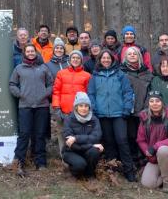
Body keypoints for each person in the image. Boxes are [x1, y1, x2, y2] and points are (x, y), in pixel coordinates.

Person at [87, 50, 137, 182]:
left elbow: (128, 92)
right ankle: (112, 169)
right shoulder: (95, 76)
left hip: (119, 114)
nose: (106, 60)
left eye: (108, 58)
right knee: (108, 142)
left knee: (122, 140)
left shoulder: (120, 74)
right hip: (102, 115)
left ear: (112, 59)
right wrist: (94, 108)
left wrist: (127, 108)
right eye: (103, 58)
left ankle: (129, 170)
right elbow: (91, 94)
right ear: (100, 60)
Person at [9, 44, 54, 175]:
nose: (30, 53)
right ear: (24, 53)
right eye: (28, 51)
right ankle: (18, 163)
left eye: (32, 51)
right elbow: (12, 84)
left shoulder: (43, 67)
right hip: (25, 106)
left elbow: (51, 84)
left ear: (36, 52)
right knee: (24, 134)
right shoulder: (19, 68)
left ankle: (40, 162)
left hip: (42, 106)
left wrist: (45, 94)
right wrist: (21, 94)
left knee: (40, 135)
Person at [51, 50, 91, 156]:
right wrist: (56, 107)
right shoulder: (61, 73)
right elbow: (56, 91)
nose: (75, 60)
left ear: (81, 60)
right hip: (63, 111)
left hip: (79, 112)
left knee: (77, 136)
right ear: (70, 59)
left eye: (78, 58)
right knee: (62, 134)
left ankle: (77, 160)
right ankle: (65, 159)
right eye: (73, 57)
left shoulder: (87, 75)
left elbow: (89, 94)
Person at [120, 45, 154, 166]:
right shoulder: (121, 72)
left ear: (139, 56)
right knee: (130, 136)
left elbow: (151, 92)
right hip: (128, 111)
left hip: (144, 110)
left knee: (144, 136)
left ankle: (145, 160)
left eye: (135, 53)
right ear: (125, 57)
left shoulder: (147, 73)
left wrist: (146, 108)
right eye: (129, 54)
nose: (132, 55)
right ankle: (133, 161)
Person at [62, 92, 103, 179]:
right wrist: (91, 145)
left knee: (95, 151)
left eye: (86, 106)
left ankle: (89, 175)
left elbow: (96, 137)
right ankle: (75, 173)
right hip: (71, 151)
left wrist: (76, 138)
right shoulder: (69, 119)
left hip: (87, 151)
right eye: (81, 106)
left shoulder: (94, 119)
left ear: (89, 107)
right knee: (80, 164)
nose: (83, 108)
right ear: (76, 107)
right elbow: (71, 144)